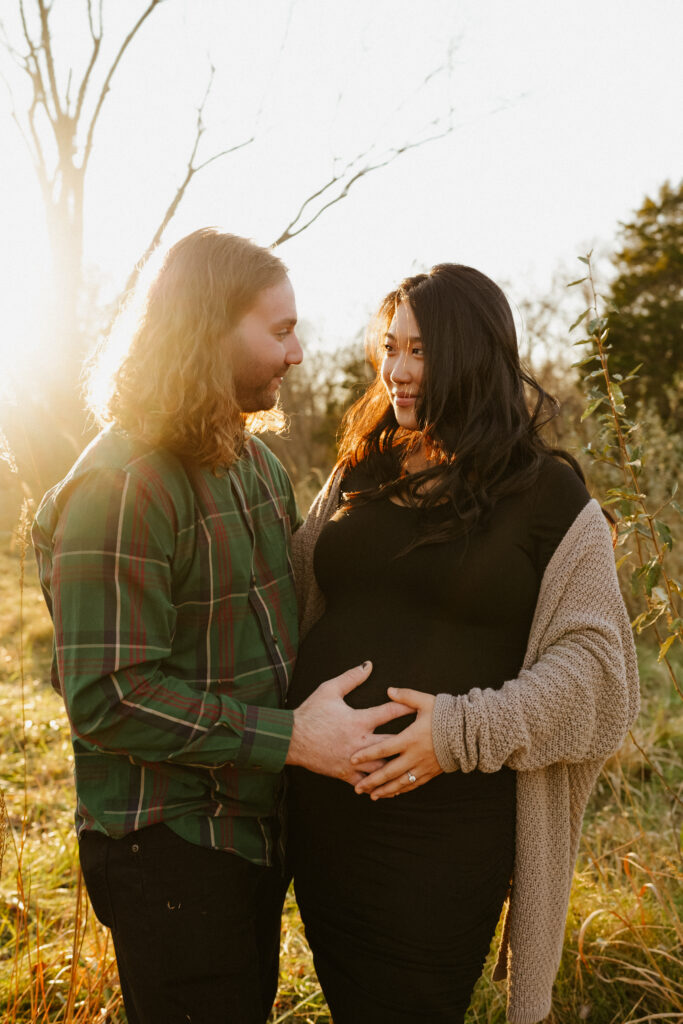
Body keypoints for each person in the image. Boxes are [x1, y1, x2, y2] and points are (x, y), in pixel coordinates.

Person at [32, 228, 408, 1024]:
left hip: (249, 834)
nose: (298, 353)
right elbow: (108, 697)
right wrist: (292, 739)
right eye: (278, 331)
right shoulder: (123, 484)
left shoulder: (256, 465)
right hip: (169, 848)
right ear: (206, 331)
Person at [286, 263, 640, 1024]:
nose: (397, 371)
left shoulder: (548, 497)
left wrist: (456, 733)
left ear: (473, 354)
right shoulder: (363, 467)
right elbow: (293, 595)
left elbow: (600, 677)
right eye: (390, 347)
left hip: (441, 833)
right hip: (323, 817)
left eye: (420, 351)